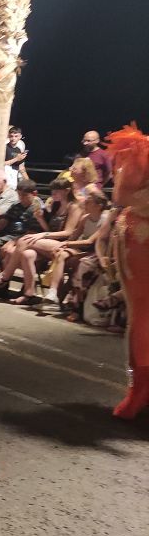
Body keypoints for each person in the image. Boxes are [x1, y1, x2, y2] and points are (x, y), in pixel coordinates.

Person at [0, 178, 83, 304]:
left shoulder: (74, 207)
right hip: (48, 242)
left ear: (67, 191)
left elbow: (68, 232)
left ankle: (4, 276)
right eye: (52, 191)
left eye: (56, 192)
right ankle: (29, 294)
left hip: (64, 244)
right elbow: (48, 228)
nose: (53, 194)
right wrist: (41, 219)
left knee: (24, 240)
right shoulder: (55, 205)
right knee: (27, 254)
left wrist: (42, 234)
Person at [106, 125, 148, 419]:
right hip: (143, 238)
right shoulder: (140, 149)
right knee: (145, 314)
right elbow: (122, 194)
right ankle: (141, 392)